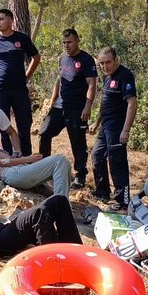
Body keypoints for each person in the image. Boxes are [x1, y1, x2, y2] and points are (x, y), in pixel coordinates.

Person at [0, 8, 41, 157]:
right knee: (3, 126)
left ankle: (26, 158)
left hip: (19, 90)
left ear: (11, 21)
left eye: (2, 19)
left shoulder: (21, 38)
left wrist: (27, 76)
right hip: (0, 90)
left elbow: (36, 57)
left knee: (24, 125)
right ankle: (8, 158)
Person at [38, 29, 97, 189]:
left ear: (77, 40)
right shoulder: (62, 58)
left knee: (77, 141)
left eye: (69, 42)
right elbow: (59, 80)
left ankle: (80, 176)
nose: (66, 46)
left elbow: (92, 84)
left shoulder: (86, 59)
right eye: (64, 43)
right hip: (59, 106)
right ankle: (43, 169)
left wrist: (88, 106)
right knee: (44, 133)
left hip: (77, 108)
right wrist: (51, 102)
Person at [89, 47, 138, 212]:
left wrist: (126, 130)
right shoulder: (106, 78)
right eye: (101, 63)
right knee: (96, 155)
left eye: (108, 62)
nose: (105, 66)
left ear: (116, 60)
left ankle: (122, 201)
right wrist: (96, 123)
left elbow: (132, 103)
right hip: (105, 127)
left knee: (117, 164)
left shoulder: (125, 75)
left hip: (117, 128)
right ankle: (102, 191)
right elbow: (104, 104)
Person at [0, 145, 72, 197]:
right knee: (59, 159)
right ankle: (61, 205)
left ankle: (62, 202)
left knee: (64, 163)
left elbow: (6, 157)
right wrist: (27, 159)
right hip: (11, 173)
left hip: (14, 171)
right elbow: (2, 162)